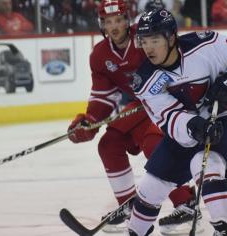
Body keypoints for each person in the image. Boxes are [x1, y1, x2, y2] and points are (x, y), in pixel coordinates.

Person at [128, 9, 227, 236]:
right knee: (151, 186)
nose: (148, 48)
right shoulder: (145, 80)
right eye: (144, 41)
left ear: (171, 37)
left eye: (154, 40)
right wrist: (194, 126)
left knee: (205, 164)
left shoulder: (206, 44)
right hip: (187, 133)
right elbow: (168, 117)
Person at [66, 0, 194, 233]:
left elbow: (175, 64)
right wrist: (90, 121)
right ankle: (128, 205)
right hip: (139, 105)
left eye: (118, 20)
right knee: (108, 144)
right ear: (102, 24)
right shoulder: (100, 55)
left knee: (154, 145)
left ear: (127, 20)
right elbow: (103, 96)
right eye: (108, 22)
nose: (114, 26)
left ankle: (186, 206)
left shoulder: (145, 36)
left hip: (165, 102)